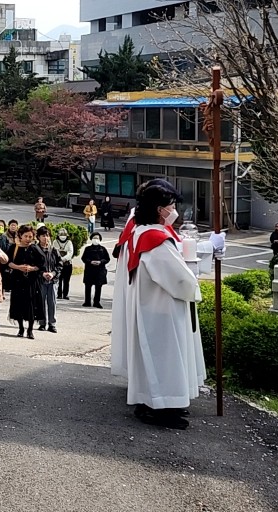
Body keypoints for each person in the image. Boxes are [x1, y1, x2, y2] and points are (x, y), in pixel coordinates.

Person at [111, 179, 212, 429]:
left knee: (154, 358)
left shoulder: (141, 232)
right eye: (171, 206)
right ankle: (162, 408)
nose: (174, 210)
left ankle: (155, 404)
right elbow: (180, 279)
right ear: (159, 209)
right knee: (166, 359)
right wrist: (195, 275)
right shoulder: (155, 239)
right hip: (163, 309)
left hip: (151, 306)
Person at [6, 225, 46, 339]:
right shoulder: (14, 247)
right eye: (26, 236)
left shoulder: (34, 248)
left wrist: (32, 268)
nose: (28, 239)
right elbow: (7, 262)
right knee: (18, 303)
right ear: (20, 236)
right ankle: (21, 328)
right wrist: (18, 267)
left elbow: (42, 264)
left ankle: (30, 330)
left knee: (31, 305)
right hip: (18, 280)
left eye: (30, 236)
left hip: (31, 282)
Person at [36, 226, 59, 333]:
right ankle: (42, 323)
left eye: (47, 235)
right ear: (38, 237)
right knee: (40, 302)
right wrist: (42, 273)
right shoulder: (35, 250)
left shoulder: (53, 250)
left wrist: (53, 273)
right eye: (43, 236)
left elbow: (59, 265)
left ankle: (52, 324)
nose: (46, 238)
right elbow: (33, 265)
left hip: (52, 281)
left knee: (52, 302)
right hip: (40, 280)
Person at [81, 233, 111, 308]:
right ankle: (87, 301)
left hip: (100, 270)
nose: (96, 239)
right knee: (88, 286)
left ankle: (97, 302)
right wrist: (90, 262)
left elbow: (107, 259)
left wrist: (100, 262)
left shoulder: (103, 249)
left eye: (97, 238)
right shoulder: (87, 249)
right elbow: (83, 258)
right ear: (91, 239)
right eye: (94, 238)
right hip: (89, 270)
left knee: (98, 287)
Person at [52, 226, 76, 300]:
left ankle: (65, 294)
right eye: (61, 235)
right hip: (58, 264)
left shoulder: (69, 242)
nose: (63, 236)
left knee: (66, 280)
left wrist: (64, 259)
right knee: (58, 279)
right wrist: (59, 260)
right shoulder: (55, 242)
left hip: (67, 264)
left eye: (64, 235)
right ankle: (59, 294)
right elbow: (54, 252)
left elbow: (70, 252)